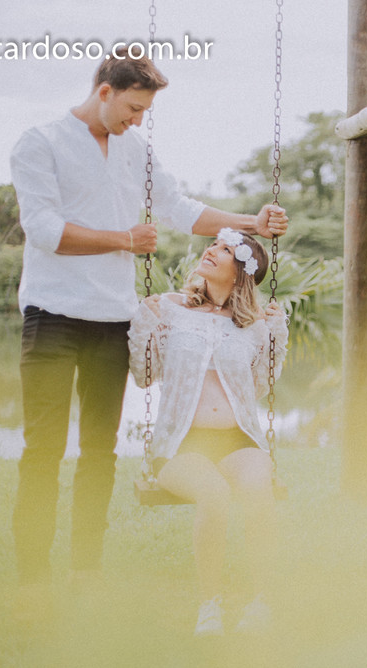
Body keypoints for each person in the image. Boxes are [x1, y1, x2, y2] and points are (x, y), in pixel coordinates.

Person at [9, 47, 288, 615]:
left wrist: (247, 223)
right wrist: (123, 240)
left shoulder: (135, 148)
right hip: (53, 316)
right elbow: (41, 230)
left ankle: (86, 569)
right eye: (132, 109)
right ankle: (32, 577)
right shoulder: (40, 143)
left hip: (113, 319)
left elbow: (180, 208)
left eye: (144, 112)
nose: (137, 121)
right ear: (104, 90)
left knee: (99, 452)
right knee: (42, 449)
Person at [129, 228, 287, 635]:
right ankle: (210, 606)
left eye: (225, 249)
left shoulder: (251, 326)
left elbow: (260, 387)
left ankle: (262, 602)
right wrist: (146, 321)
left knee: (257, 488)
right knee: (214, 493)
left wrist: (274, 333)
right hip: (182, 443)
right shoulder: (170, 309)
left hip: (237, 440)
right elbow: (145, 377)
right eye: (213, 244)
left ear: (241, 274)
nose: (211, 250)